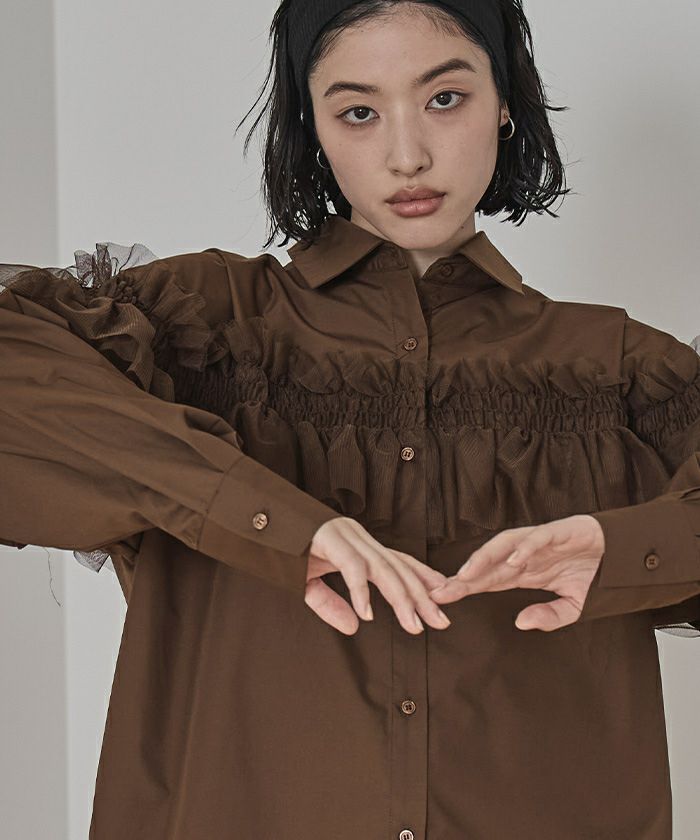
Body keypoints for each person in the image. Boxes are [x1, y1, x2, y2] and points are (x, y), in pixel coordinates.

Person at [1, 1, 699, 838]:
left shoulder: (616, 373)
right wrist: (260, 515)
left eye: (445, 98)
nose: (407, 155)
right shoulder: (201, 334)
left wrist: (635, 549)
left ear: (505, 103)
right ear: (313, 128)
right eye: (359, 112)